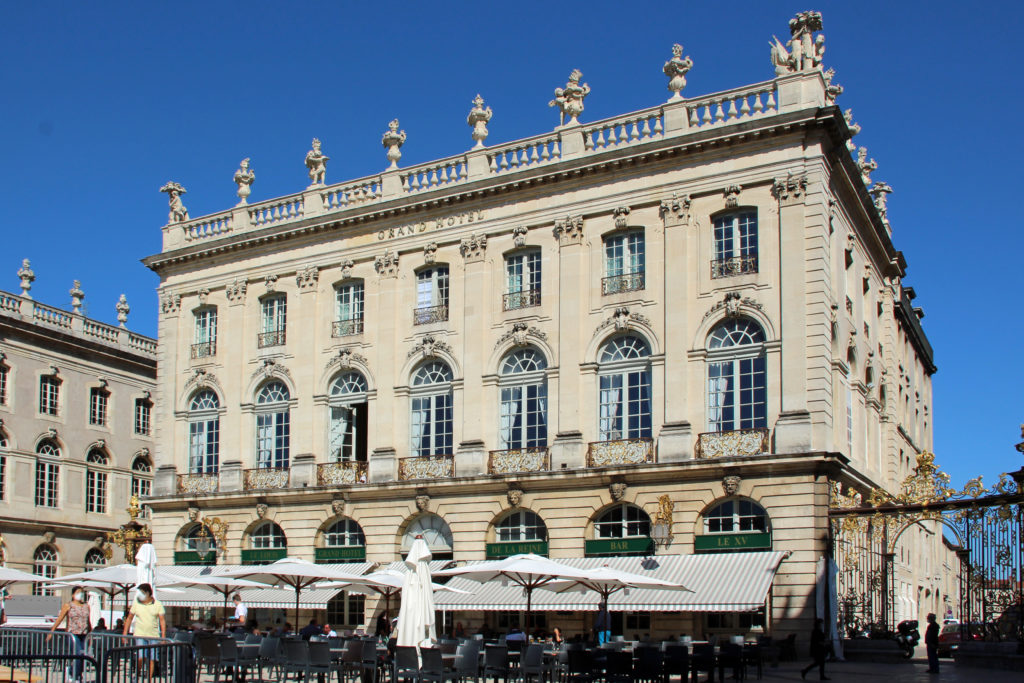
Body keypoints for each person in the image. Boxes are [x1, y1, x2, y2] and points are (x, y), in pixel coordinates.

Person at [122, 583, 166, 680]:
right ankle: (137, 675)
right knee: (141, 656)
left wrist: (163, 636)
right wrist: (124, 634)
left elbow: (162, 621)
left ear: (148, 593)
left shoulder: (158, 604)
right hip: (140, 634)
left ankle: (149, 678)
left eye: (142, 592)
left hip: (153, 635)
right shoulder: (136, 604)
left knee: (152, 659)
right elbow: (129, 618)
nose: (140, 595)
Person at [48, 585, 92, 683]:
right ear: (73, 595)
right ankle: (74, 675)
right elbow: (60, 618)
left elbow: (88, 621)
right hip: (73, 633)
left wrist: (90, 634)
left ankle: (76, 674)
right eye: (78, 592)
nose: (81, 594)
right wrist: (52, 631)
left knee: (83, 656)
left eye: (82, 592)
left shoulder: (86, 606)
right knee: (78, 653)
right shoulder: (68, 605)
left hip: (84, 634)